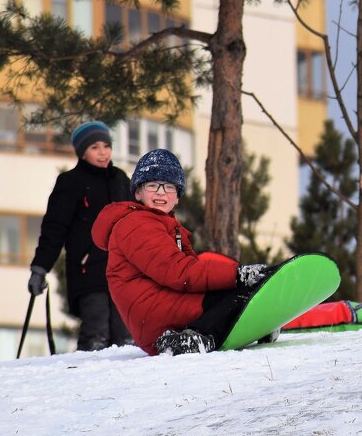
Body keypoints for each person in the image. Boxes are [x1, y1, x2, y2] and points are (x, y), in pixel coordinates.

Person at [90, 148, 248, 355]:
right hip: (155, 316)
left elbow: (195, 272)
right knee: (234, 300)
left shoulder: (168, 227)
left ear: (178, 196)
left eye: (169, 186)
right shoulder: (136, 224)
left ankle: (235, 328)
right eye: (153, 185)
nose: (161, 192)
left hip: (164, 305)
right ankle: (192, 338)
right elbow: (179, 272)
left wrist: (234, 278)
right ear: (138, 192)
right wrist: (237, 275)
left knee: (233, 297)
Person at [28, 121, 133, 351]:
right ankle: (88, 382)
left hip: (123, 271)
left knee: (126, 336)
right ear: (82, 151)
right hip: (88, 270)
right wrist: (40, 268)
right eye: (95, 147)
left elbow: (137, 225)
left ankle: (128, 385)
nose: (103, 152)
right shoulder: (70, 183)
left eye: (106, 145)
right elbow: (54, 228)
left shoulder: (120, 180)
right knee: (96, 333)